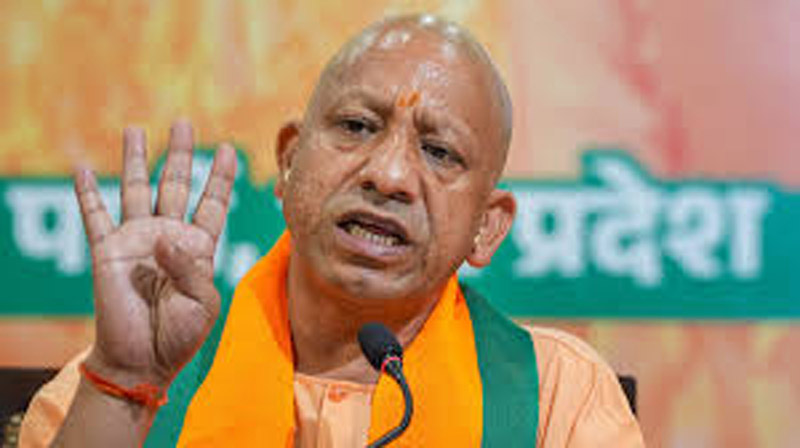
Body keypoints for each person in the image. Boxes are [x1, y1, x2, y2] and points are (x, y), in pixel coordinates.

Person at [19, 14, 644, 447]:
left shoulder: (556, 397)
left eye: (439, 152)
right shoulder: (120, 386)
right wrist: (124, 389)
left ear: (487, 227)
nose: (389, 175)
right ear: (289, 161)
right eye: (357, 127)